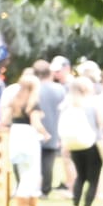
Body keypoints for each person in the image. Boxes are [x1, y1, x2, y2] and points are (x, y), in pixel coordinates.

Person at [60, 76, 103, 206]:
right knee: (93, 178)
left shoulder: (67, 104)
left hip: (74, 144)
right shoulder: (92, 103)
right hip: (91, 143)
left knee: (80, 176)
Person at [4, 70, 46, 206]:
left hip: (16, 134)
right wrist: (46, 134)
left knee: (22, 169)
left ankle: (32, 201)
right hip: (29, 136)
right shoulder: (33, 104)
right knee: (32, 171)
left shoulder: (14, 102)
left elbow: (4, 121)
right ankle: (24, 203)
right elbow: (36, 123)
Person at [36, 57, 69, 198]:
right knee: (48, 162)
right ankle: (45, 189)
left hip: (36, 129)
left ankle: (34, 188)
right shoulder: (60, 89)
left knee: (35, 162)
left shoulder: (35, 89)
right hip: (54, 129)